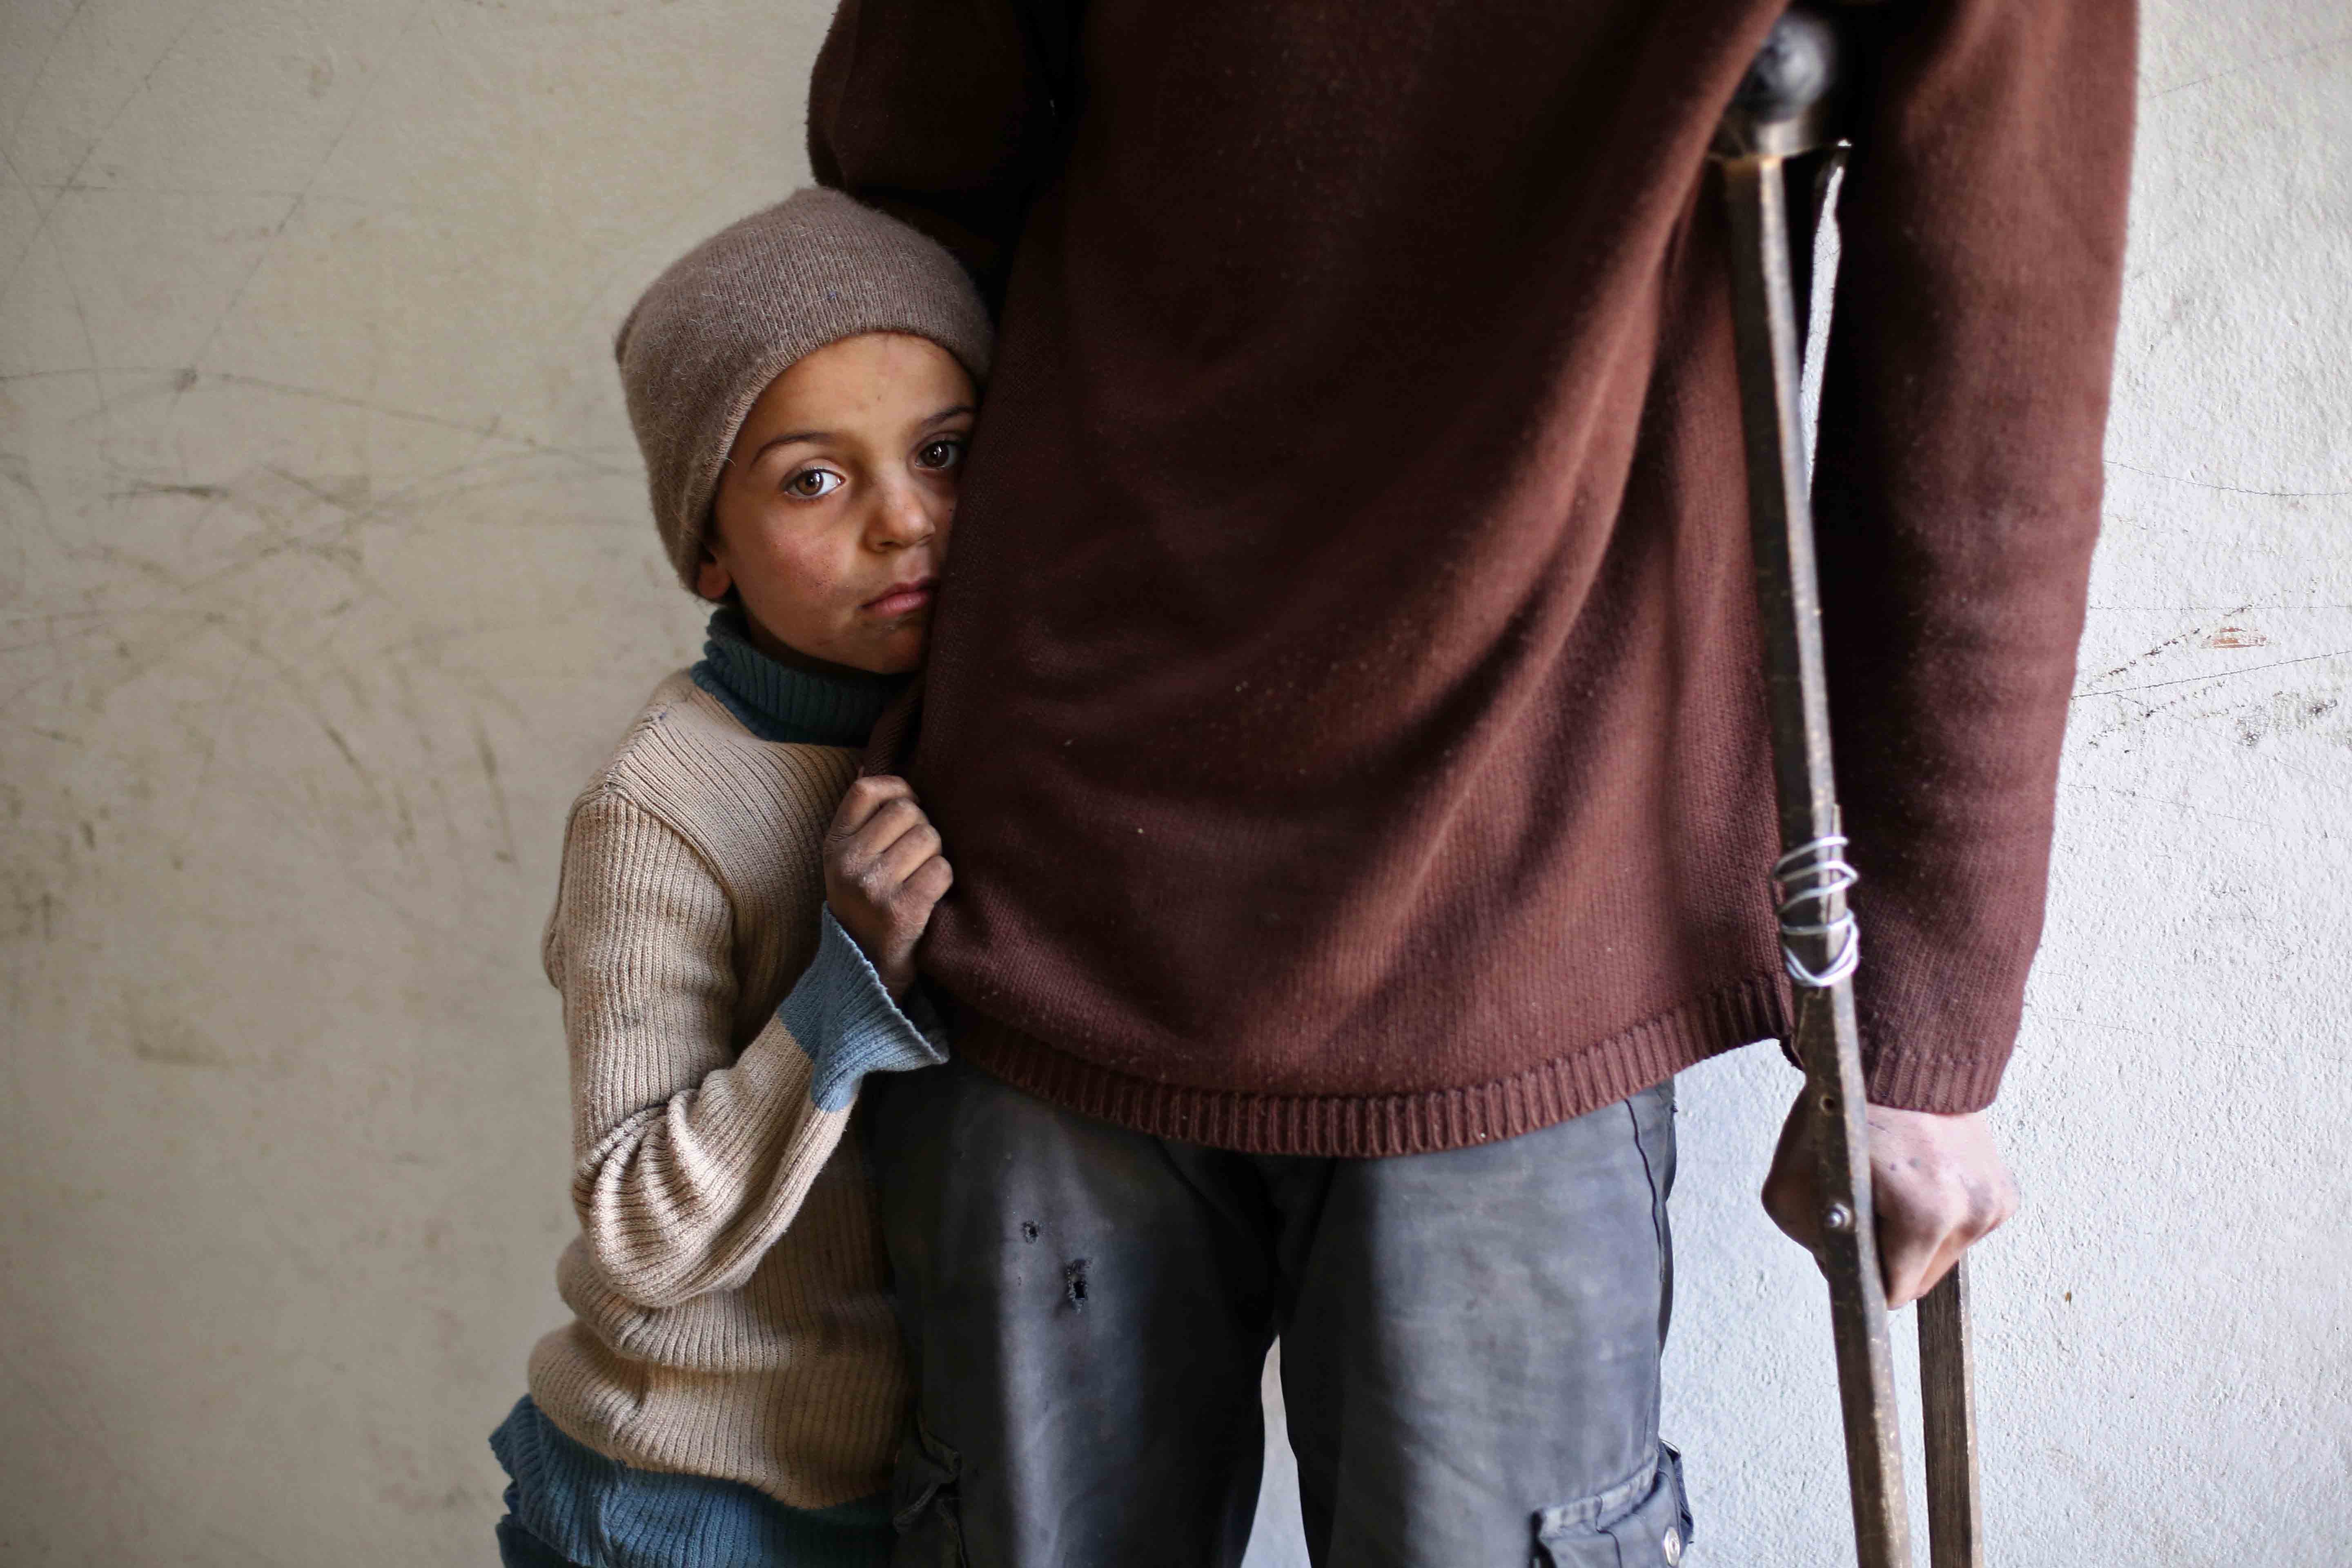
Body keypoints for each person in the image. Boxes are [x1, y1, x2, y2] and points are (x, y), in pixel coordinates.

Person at [805, 0, 2136, 1564]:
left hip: (1502, 912)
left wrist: (1923, 1028)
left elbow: (1988, 379)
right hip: (1052, 885)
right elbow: (914, 188)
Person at [487, 189, 990, 1568]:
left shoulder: (990, 730)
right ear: (706, 540)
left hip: (907, 1496)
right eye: (814, 479)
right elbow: (638, 1228)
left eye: (946, 452)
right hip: (684, 1507)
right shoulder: (661, 806)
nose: (906, 521)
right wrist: (848, 984)